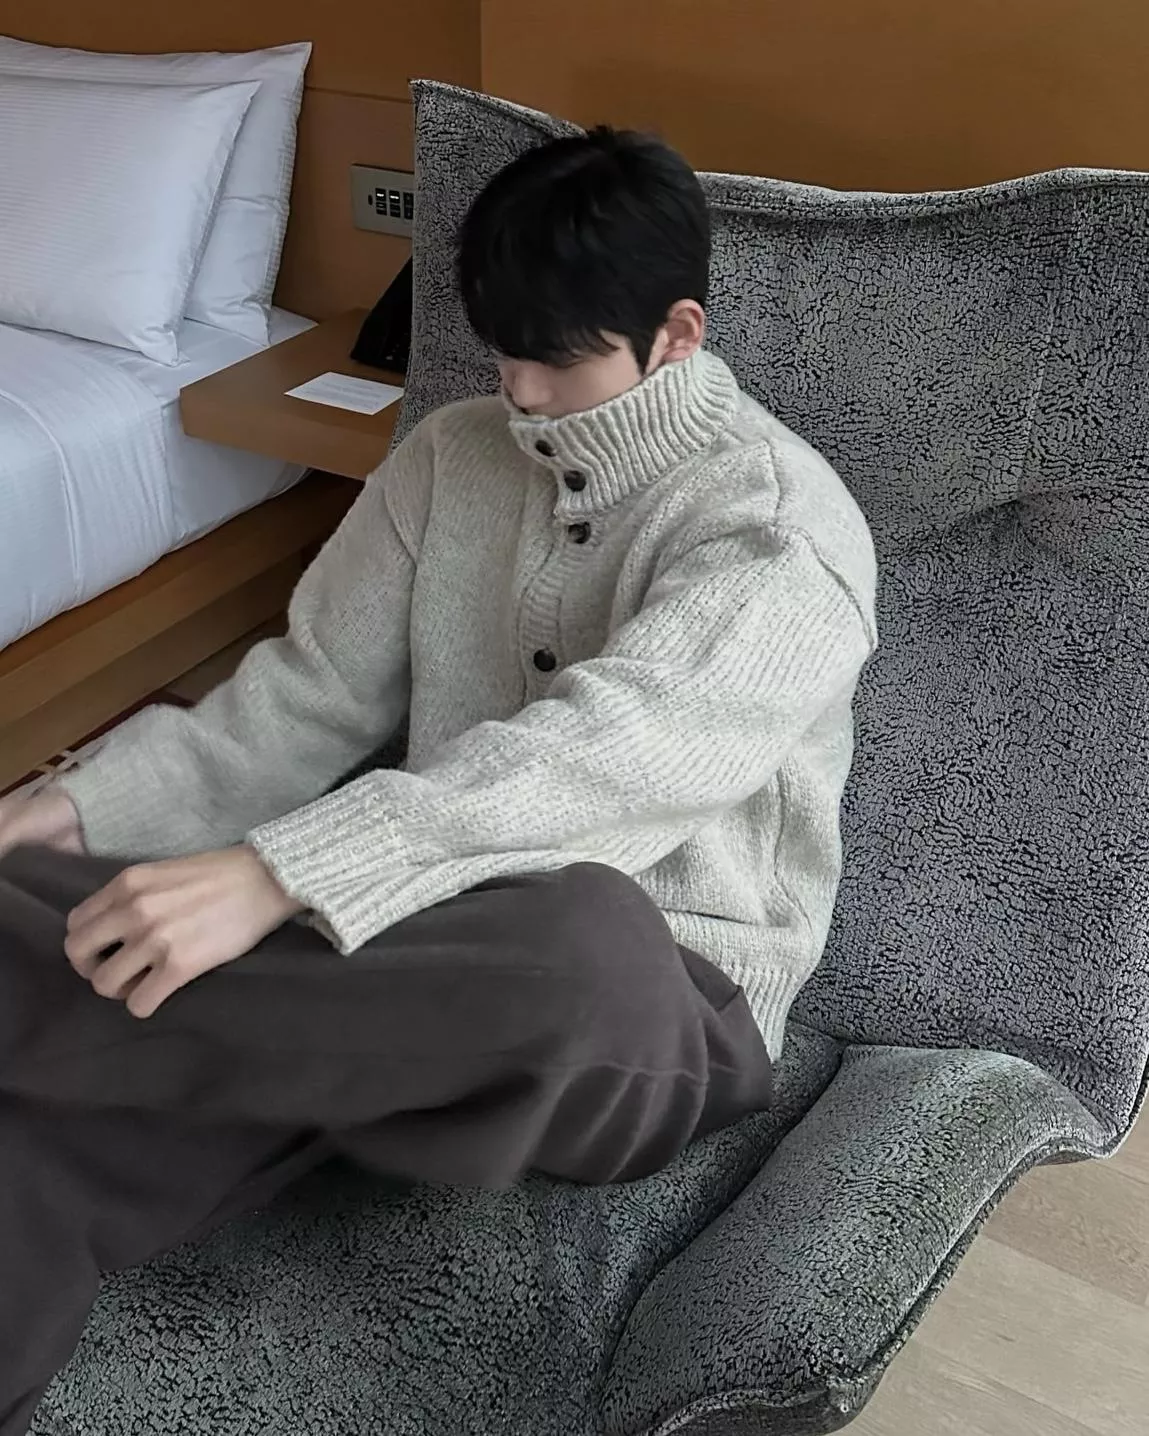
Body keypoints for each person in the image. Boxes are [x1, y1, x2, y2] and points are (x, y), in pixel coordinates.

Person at [0, 127, 876, 1430]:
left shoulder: (781, 535)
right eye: (501, 350)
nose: (518, 391)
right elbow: (300, 703)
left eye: (555, 358)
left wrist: (278, 873)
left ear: (676, 335)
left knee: (587, 934)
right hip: (391, 966)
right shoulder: (449, 455)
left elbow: (609, 753)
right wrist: (73, 809)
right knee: (49, 1149)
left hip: (652, 1009)